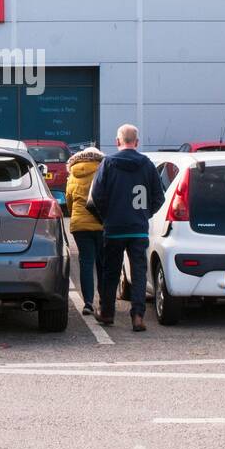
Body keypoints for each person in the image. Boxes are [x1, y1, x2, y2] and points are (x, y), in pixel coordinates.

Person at [86, 124, 164, 331]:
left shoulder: (108, 164)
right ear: (136, 142)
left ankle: (107, 313)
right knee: (139, 273)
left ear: (117, 141)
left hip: (114, 227)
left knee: (111, 272)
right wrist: (144, 214)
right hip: (138, 228)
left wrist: (107, 217)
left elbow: (96, 197)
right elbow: (159, 197)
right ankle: (138, 316)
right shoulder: (147, 165)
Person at [63, 146, 104, 315]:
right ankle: (104, 300)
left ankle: (88, 302)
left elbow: (69, 200)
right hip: (101, 223)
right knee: (103, 263)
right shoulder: (103, 171)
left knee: (86, 262)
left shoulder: (73, 174)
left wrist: (76, 215)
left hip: (80, 225)